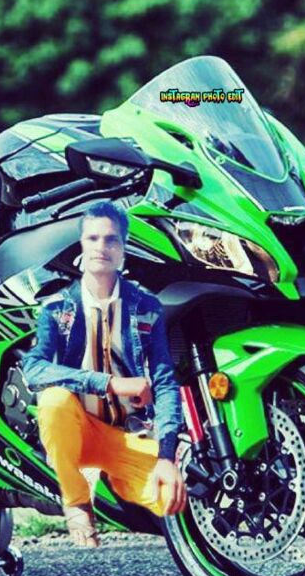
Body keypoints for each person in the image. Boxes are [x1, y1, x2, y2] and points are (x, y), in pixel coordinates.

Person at [22, 200, 187, 548]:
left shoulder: (146, 307)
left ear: (123, 248)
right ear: (81, 245)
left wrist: (167, 456)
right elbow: (34, 369)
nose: (101, 247)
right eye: (93, 238)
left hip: (126, 435)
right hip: (76, 430)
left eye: (111, 239)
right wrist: (110, 384)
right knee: (53, 401)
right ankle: (77, 502)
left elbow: (165, 382)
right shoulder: (57, 307)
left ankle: (119, 484)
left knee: (176, 496)